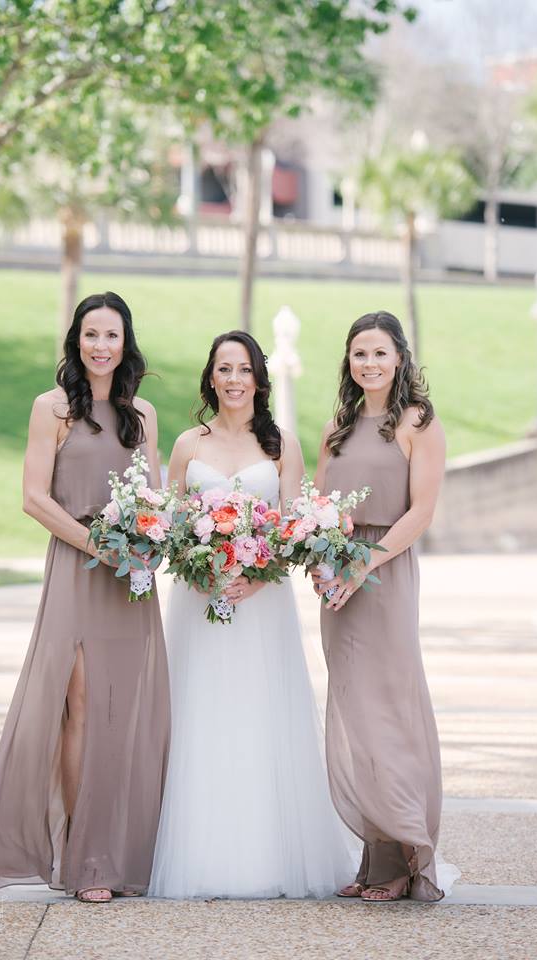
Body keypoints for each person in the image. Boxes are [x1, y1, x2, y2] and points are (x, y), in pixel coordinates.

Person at [148, 330, 359, 900]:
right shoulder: (188, 444)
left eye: (244, 369)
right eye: (223, 369)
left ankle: (271, 852)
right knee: (202, 711)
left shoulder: (282, 444)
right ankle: (200, 851)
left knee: (261, 711)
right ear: (210, 378)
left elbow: (293, 528)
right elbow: (168, 525)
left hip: (261, 603)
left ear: (259, 379)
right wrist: (202, 563)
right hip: (199, 602)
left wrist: (255, 575)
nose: (234, 379)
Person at [0, 292, 170, 903]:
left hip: (129, 577)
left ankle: (121, 851)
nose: (101, 347)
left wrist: (146, 541)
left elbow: (156, 497)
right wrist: (95, 544)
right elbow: (35, 497)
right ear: (76, 341)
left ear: (126, 342)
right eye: (91, 335)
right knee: (80, 706)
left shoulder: (143, 413)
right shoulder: (51, 407)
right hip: (77, 565)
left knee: (125, 712)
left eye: (111, 335)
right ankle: (84, 859)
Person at [314, 310, 453, 903]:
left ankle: (405, 855)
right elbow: (318, 503)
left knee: (388, 709)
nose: (368, 363)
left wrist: (362, 564)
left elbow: (420, 512)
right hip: (337, 575)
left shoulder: (418, 422)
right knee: (354, 712)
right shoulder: (337, 426)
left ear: (399, 357)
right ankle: (375, 859)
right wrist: (324, 560)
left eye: (379, 353)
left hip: (384, 572)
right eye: (359, 353)